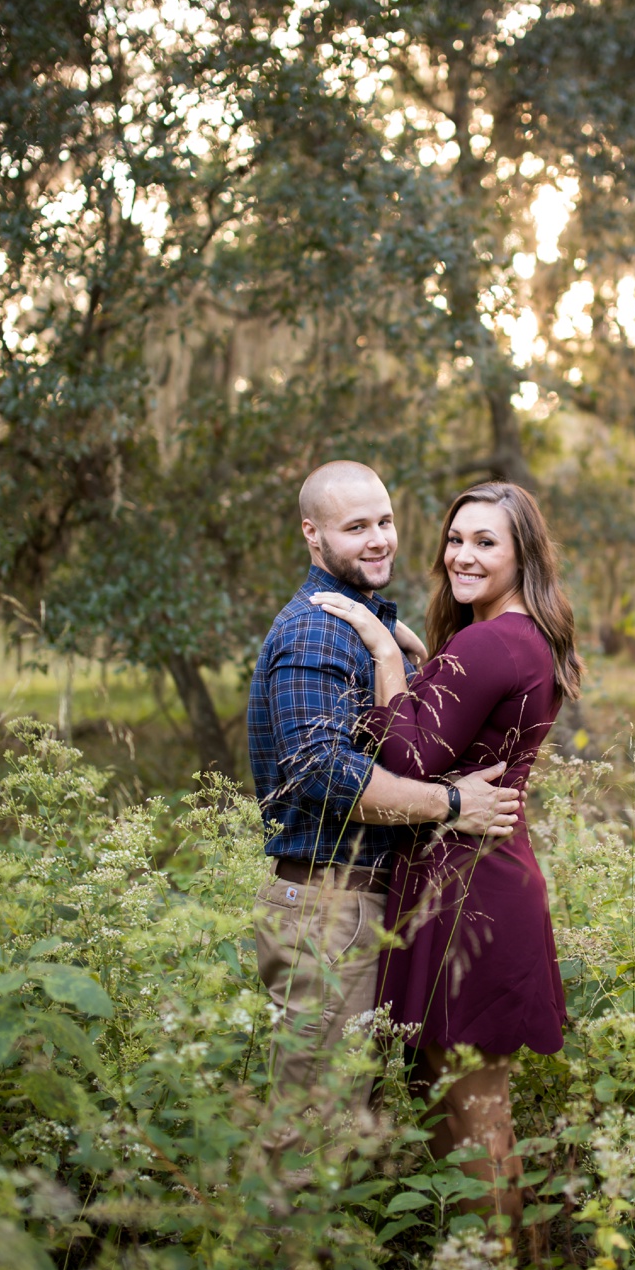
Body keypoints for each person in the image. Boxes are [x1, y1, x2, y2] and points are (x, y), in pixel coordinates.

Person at [310, 480, 582, 1244]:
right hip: (468, 879)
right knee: (451, 1098)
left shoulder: (495, 640)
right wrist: (427, 664)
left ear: (522, 553)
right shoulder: (510, 638)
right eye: (456, 539)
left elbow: (408, 753)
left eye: (485, 542)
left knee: (470, 1107)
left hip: (473, 893)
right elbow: (451, 737)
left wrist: (377, 647)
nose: (462, 555)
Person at [245, 461, 520, 1099]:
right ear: (313, 535)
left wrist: (403, 655)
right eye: (356, 528)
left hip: (357, 906)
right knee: (315, 1145)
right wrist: (452, 804)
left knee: (350, 1133)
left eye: (386, 521)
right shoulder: (317, 630)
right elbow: (325, 773)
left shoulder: (358, 626)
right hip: (328, 909)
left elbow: (396, 741)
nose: (379, 540)